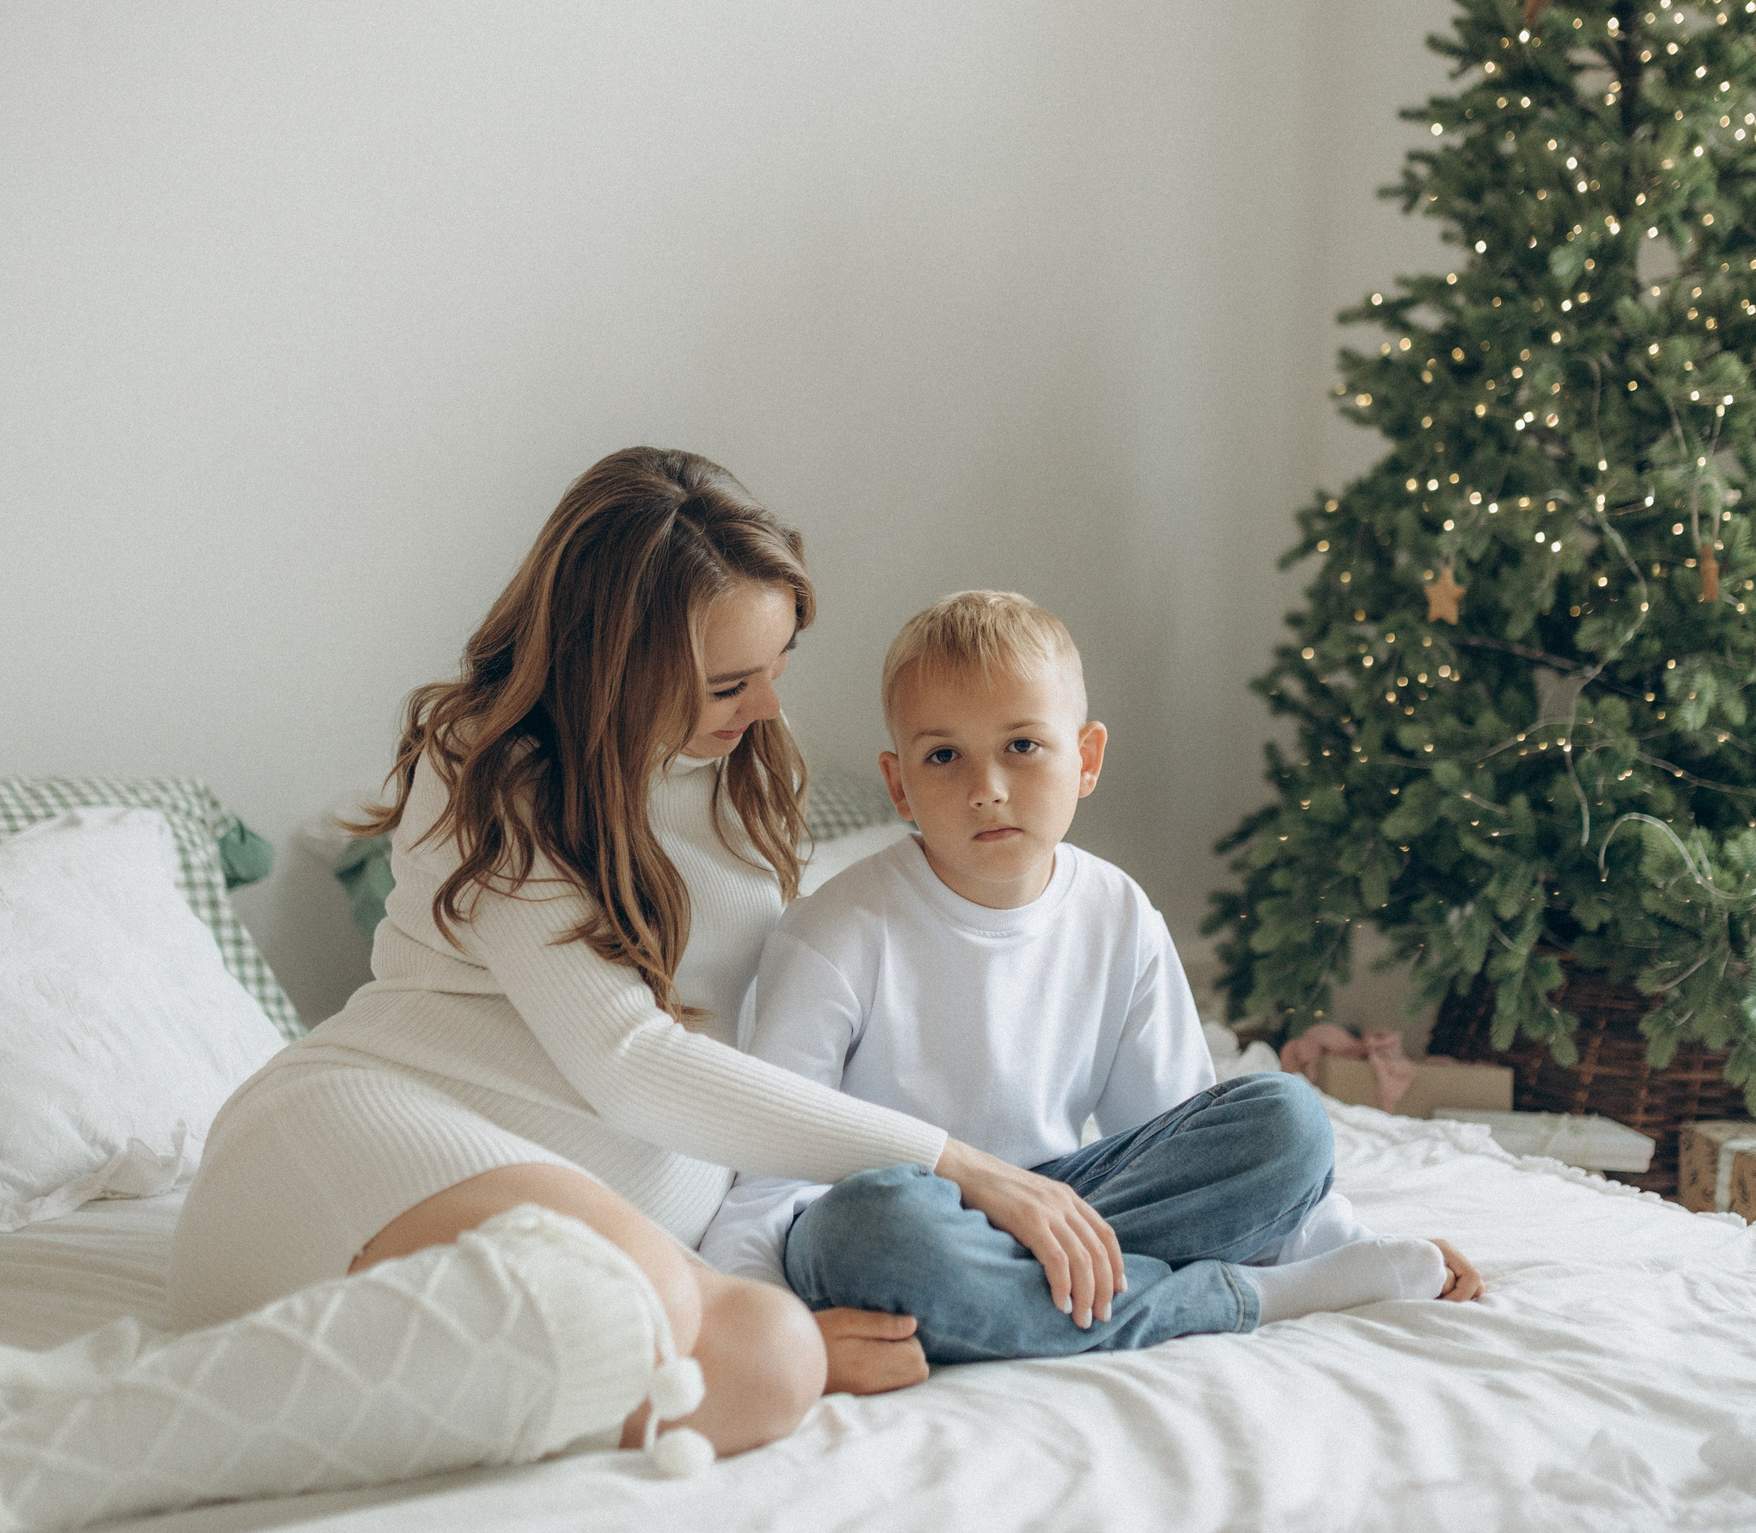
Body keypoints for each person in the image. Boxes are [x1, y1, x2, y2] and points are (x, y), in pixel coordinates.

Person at [166, 450, 1126, 1457]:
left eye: (777, 667)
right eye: (726, 683)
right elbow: (630, 1063)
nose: (764, 706)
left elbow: (796, 1014)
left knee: (768, 1357)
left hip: (631, 1226)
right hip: (371, 1140)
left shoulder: (749, 758)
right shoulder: (487, 770)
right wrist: (957, 1164)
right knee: (736, 1343)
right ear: (614, 665)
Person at [698, 591, 1483, 1364]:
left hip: (1074, 1206)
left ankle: (1014, 1300)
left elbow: (1177, 1133)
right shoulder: (834, 932)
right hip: (906, 1220)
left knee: (1288, 1120)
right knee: (871, 1226)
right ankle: (1248, 1298)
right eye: (943, 756)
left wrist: (1356, 1245)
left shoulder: (1118, 911)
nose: (987, 787)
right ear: (899, 784)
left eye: (1022, 746)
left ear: (1087, 758)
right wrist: (771, 1334)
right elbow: (765, 1185)